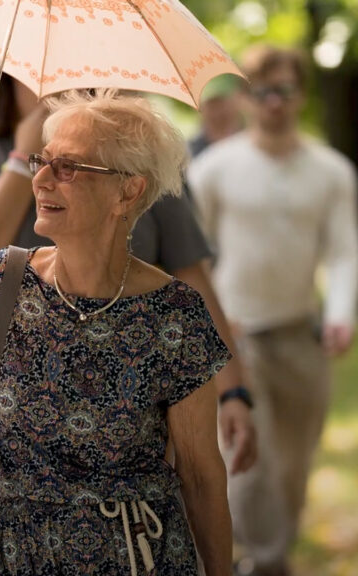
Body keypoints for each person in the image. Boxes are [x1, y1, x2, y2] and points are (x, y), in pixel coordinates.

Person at [0, 89, 233, 575]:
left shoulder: (175, 314)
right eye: (43, 160)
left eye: (67, 168)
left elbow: (202, 476)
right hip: (12, 556)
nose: (40, 179)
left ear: (127, 191)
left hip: (136, 558)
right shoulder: (2, 282)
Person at [187, 45, 358, 576]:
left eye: (283, 91)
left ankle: (274, 550)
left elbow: (343, 248)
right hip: (240, 338)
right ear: (246, 98)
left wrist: (341, 311)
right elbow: (195, 258)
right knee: (250, 463)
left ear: (300, 94)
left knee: (294, 462)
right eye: (262, 93)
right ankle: (259, 561)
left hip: (300, 332)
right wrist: (214, 323)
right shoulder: (215, 168)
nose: (274, 103)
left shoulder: (331, 170)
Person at [189, 74, 245, 158]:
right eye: (212, 105)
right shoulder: (190, 152)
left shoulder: (254, 145)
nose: (218, 112)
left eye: (222, 102)